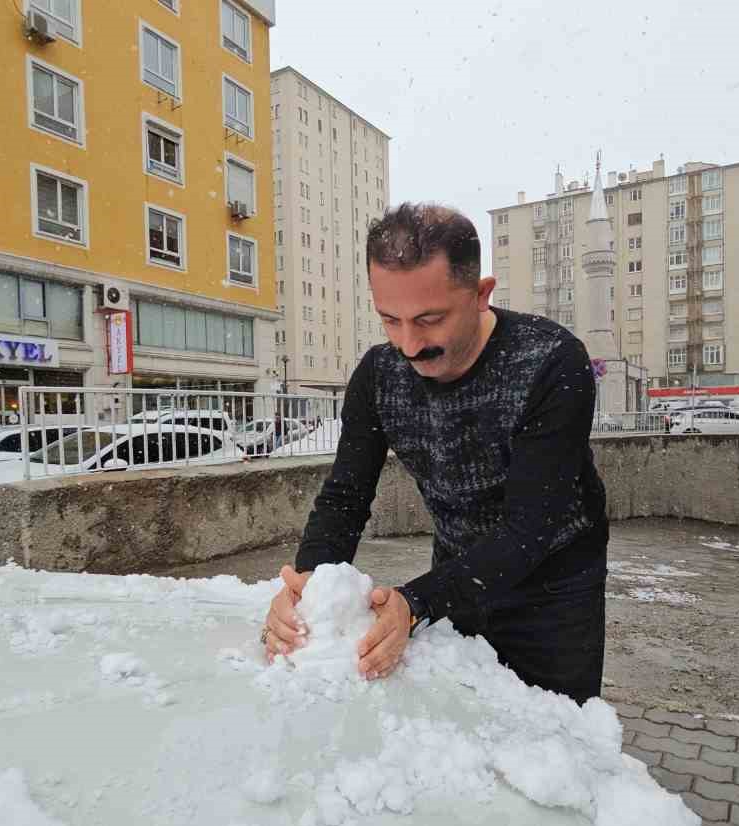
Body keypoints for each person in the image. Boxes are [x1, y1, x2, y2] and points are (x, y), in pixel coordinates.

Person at [260, 203, 610, 705]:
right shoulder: (379, 374)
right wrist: (310, 587)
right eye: (389, 320)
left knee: (556, 744)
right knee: (461, 729)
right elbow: (345, 496)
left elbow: (529, 527)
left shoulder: (552, 363)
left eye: (429, 319)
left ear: (481, 294)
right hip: (458, 574)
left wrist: (415, 602)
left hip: (554, 590)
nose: (408, 344)